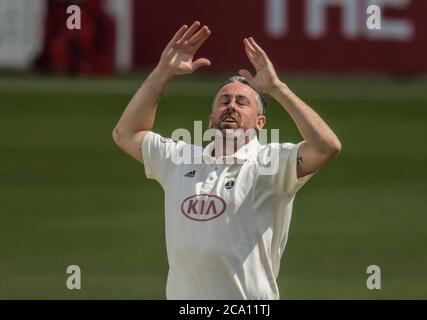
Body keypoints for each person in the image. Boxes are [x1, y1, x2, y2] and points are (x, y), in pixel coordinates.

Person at [113, 21, 341, 299]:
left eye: (242, 102)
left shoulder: (270, 162)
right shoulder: (180, 159)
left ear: (260, 122)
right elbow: (126, 133)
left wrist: (277, 88)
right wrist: (164, 71)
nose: (231, 105)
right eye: (224, 100)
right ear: (210, 120)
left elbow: (326, 146)